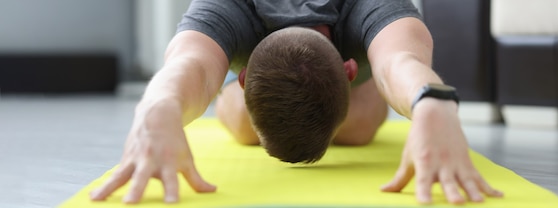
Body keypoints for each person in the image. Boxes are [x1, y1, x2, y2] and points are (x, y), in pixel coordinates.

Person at [89, 0, 503, 205]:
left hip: (346, 70)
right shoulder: (225, 8)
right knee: (248, 126)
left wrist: (430, 103)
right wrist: (158, 106)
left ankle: (341, 109)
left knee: (356, 128)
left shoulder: (373, 4)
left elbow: (400, 61)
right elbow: (191, 65)